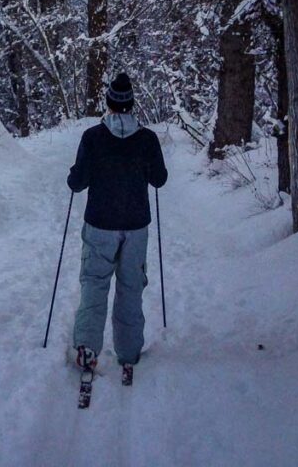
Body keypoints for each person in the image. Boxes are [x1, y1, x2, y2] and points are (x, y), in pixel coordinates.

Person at [67, 72, 168, 379]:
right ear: (132, 104)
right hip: (136, 226)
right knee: (131, 287)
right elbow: (160, 179)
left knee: (94, 285)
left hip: (99, 224)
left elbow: (78, 183)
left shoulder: (93, 137)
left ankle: (86, 348)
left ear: (108, 102)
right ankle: (128, 352)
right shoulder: (147, 139)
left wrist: (76, 172)